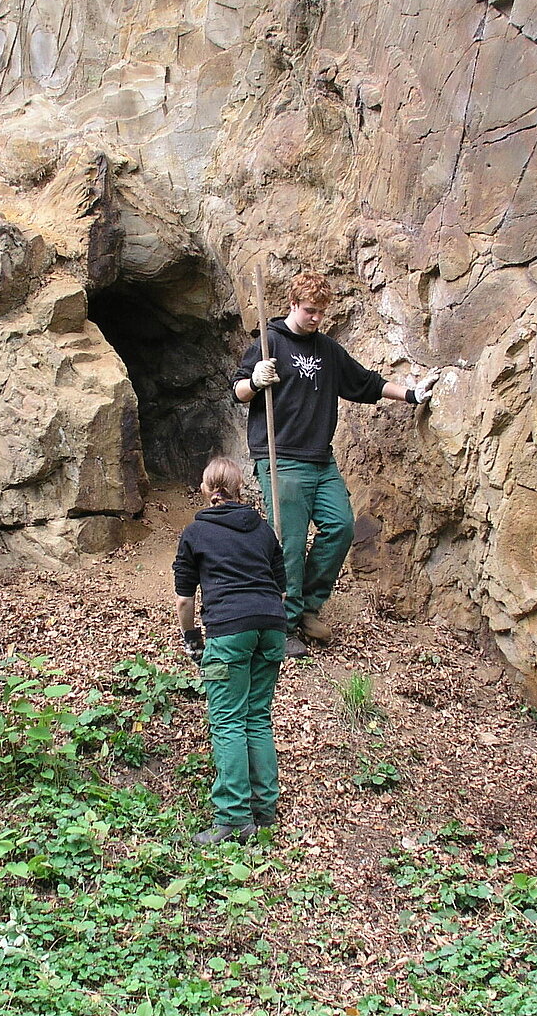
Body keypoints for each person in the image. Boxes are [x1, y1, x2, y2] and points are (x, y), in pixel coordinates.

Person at [232, 271, 439, 657]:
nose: (315, 318)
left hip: (320, 459)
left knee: (341, 527)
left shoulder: (327, 349)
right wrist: (256, 381)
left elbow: (367, 383)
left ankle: (309, 607)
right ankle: (284, 625)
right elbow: (239, 391)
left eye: (321, 312)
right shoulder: (269, 341)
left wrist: (411, 394)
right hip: (280, 456)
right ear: (293, 305)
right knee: (290, 545)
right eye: (310, 310)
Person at [174, 456, 288, 843]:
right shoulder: (264, 531)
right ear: (239, 490)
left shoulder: (195, 533)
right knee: (257, 716)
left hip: (228, 634)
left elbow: (185, 601)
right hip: (272, 629)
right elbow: (282, 588)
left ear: (207, 489)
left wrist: (192, 639)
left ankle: (235, 818)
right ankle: (265, 809)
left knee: (227, 720)